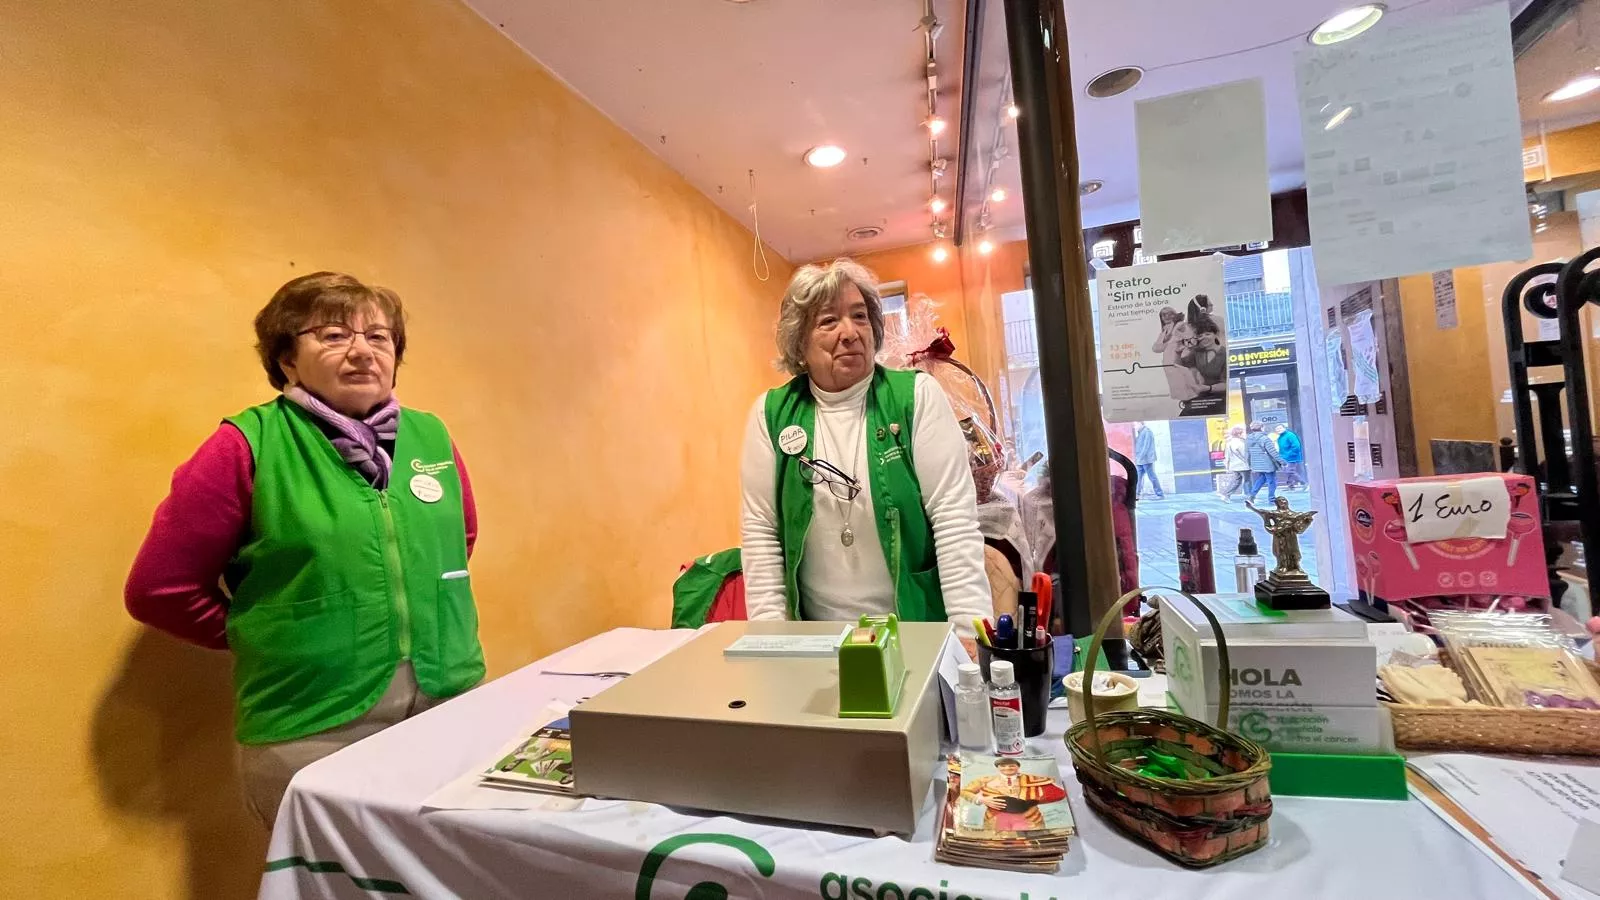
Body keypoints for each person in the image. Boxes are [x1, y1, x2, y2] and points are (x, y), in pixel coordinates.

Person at [124, 272, 483, 826]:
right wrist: (273, 633)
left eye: (379, 337)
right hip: (313, 726)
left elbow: (457, 541)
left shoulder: (431, 436)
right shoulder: (245, 444)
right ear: (287, 360)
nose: (362, 352)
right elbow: (160, 589)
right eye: (334, 335)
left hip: (448, 703)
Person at [740, 258, 990, 645]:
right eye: (828, 321)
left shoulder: (915, 397)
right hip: (818, 637)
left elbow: (954, 517)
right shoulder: (770, 415)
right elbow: (761, 532)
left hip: (915, 629)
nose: (850, 332)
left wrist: (968, 633)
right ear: (799, 342)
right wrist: (771, 638)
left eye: (860, 316)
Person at [960, 757, 1067, 832]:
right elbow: (965, 791)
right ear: (998, 768)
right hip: (995, 818)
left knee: (1032, 846)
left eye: (1011, 765)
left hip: (1030, 818)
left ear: (1017, 767)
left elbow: (1059, 793)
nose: (1007, 768)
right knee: (996, 847)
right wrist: (981, 799)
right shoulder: (985, 780)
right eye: (1003, 765)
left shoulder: (1033, 779)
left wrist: (1034, 800)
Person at [1245, 421, 1283, 504]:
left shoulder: (1248, 439)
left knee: (1261, 479)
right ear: (1262, 428)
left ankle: (1252, 496)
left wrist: (1249, 464)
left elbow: (1247, 453)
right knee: (1271, 481)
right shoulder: (1265, 438)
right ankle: (1271, 499)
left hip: (1256, 464)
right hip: (1267, 463)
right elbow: (1273, 452)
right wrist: (1283, 462)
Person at [1131, 421, 1164, 499]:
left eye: (1135, 424)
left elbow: (1146, 446)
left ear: (1141, 423)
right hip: (1140, 460)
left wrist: (1140, 456)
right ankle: (1137, 494)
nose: (1134, 426)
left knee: (1152, 476)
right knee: (1138, 477)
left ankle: (1160, 494)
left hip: (1146, 460)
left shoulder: (1147, 432)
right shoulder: (1140, 432)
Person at [1216, 424, 1250, 500]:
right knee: (1247, 481)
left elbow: (1227, 456)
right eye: (1243, 432)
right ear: (1239, 434)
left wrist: (1227, 467)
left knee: (1237, 481)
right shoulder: (1241, 443)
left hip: (1234, 465)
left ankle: (1226, 494)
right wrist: (1249, 462)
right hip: (1244, 465)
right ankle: (1249, 496)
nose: (1244, 434)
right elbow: (1245, 455)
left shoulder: (1229, 443)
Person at [1276, 423, 1305, 490]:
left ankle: (1303, 483)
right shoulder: (1280, 437)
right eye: (1277, 429)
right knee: (1287, 471)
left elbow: (1296, 446)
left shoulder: (1290, 435)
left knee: (1290, 471)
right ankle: (1291, 486)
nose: (1278, 430)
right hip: (1284, 458)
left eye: (1280, 428)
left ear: (1284, 428)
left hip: (1292, 457)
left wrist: (1290, 455)